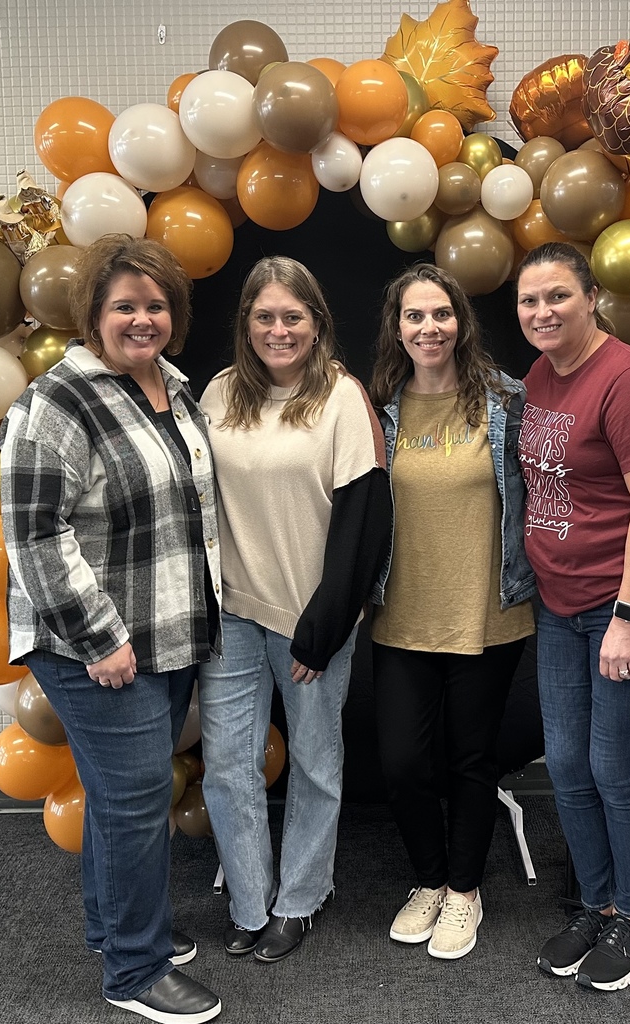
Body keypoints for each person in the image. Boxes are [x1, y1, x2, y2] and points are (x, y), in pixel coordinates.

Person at [0, 235, 223, 1023]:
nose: (142, 319)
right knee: (134, 801)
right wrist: (100, 638)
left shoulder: (173, 386)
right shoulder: (58, 401)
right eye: (124, 305)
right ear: (93, 315)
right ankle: (134, 970)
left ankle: (112, 925)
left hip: (163, 631)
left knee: (116, 794)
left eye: (155, 305)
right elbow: (33, 533)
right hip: (94, 642)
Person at [515, 242, 630, 991]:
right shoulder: (538, 375)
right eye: (529, 301)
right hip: (561, 608)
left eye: (557, 296)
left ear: (591, 297)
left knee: (613, 768)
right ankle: (593, 906)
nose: (542, 312)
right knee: (564, 766)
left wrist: (627, 615)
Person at [198, 256, 390, 964]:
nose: (279, 330)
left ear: (316, 324)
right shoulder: (220, 394)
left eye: (293, 317)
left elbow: (366, 519)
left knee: (313, 762)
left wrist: (327, 623)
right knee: (228, 764)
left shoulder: (341, 396)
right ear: (246, 324)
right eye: (264, 317)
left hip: (313, 619)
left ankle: (302, 898)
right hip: (232, 615)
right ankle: (250, 901)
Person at [367, 263, 536, 960]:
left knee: (471, 760)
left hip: (487, 613)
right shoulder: (377, 409)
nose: (429, 327)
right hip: (401, 614)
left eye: (441, 314)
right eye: (415, 316)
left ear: (461, 322)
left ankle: (464, 891)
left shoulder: (508, 400)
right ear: (397, 327)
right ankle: (429, 881)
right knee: (403, 764)